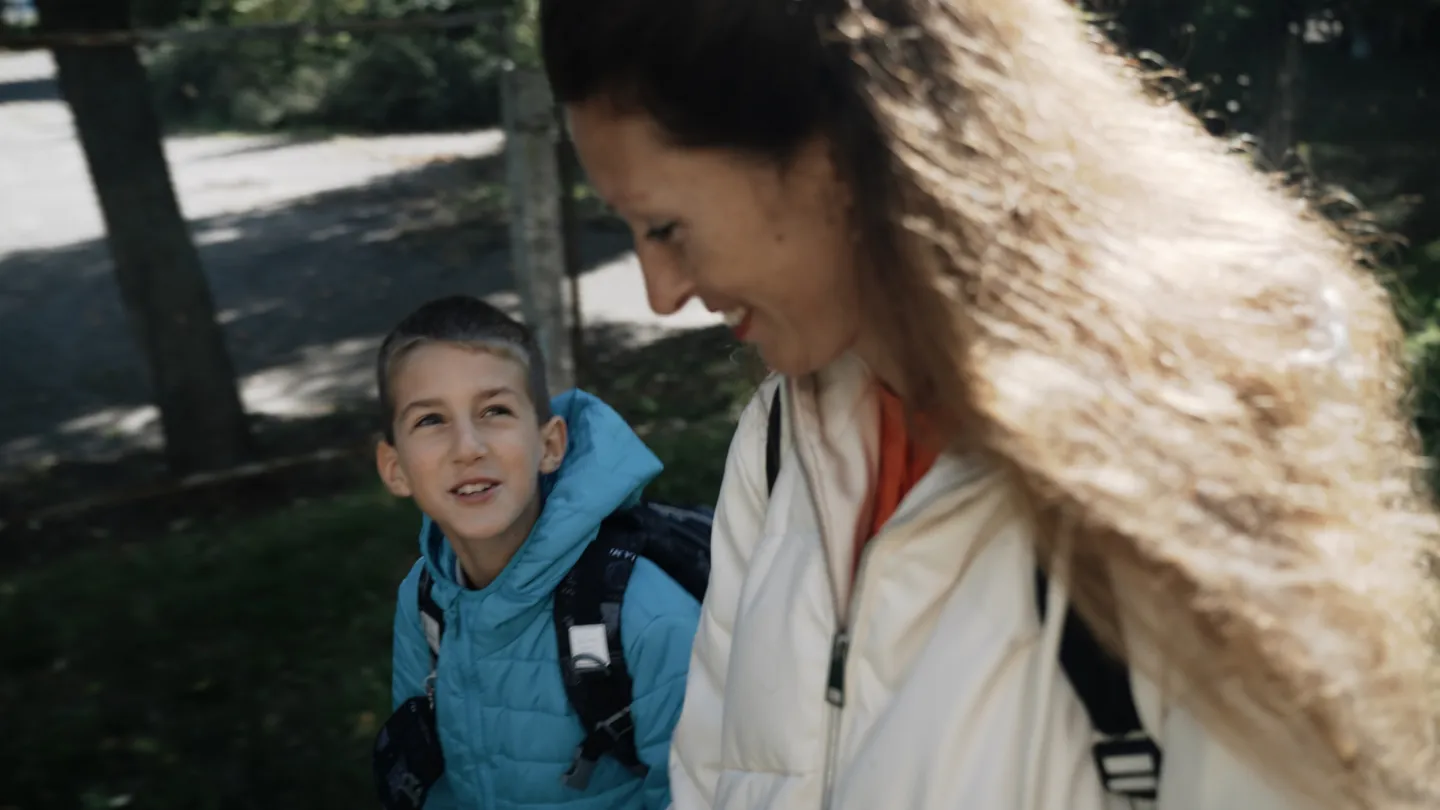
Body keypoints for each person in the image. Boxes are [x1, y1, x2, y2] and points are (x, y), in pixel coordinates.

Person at [538, 0, 1440, 809]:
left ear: (841, 153)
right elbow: (710, 777)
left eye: (663, 226)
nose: (658, 292)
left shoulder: (1194, 456)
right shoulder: (777, 444)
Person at [375, 295, 700, 810]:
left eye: (495, 411)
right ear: (394, 467)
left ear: (550, 445)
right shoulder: (423, 603)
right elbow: (426, 780)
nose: (468, 447)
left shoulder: (646, 617)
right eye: (431, 420)